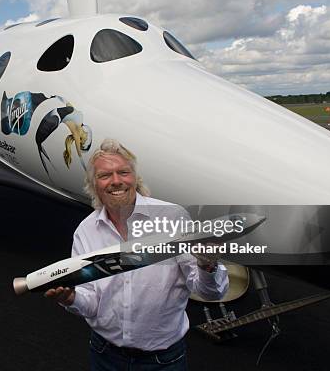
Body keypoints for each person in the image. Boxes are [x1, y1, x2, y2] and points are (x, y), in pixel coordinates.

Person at [45, 139, 228, 371]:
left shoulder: (172, 218)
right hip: (105, 355)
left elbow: (210, 292)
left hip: (163, 361)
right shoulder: (86, 231)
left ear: (135, 178)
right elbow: (91, 303)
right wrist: (71, 299)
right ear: (94, 185)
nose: (116, 181)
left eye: (123, 172)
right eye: (105, 175)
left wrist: (208, 266)